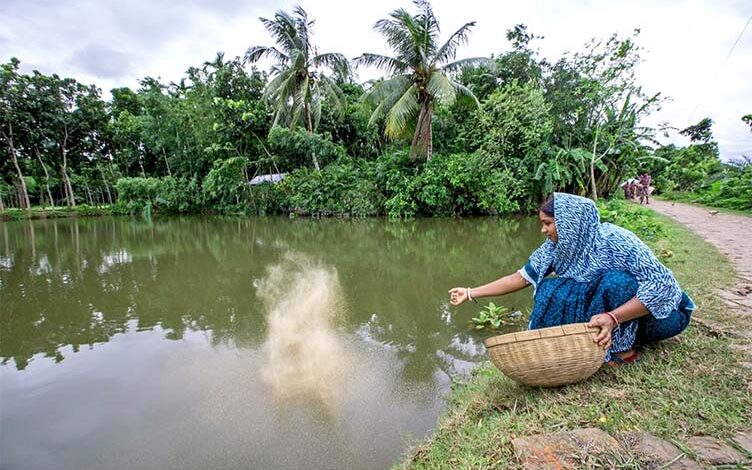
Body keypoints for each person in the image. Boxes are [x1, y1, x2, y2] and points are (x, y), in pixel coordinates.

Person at [448, 193, 695, 365]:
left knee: (616, 282)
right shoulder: (555, 247)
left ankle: (624, 351)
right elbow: (520, 277)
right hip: (611, 324)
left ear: (569, 223)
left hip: (660, 318)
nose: (543, 230)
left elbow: (662, 285)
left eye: (547, 223)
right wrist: (470, 292)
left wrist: (612, 317)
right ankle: (592, 344)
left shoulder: (616, 240)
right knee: (552, 286)